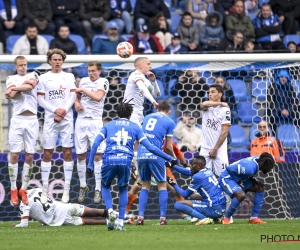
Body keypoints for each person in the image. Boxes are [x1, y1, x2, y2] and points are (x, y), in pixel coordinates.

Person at [87, 100, 176, 231]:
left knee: (105, 186)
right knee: (123, 189)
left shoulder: (108, 125)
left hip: (110, 160)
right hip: (125, 161)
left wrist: (90, 164)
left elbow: (95, 144)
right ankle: (121, 222)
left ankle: (111, 210)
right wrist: (169, 157)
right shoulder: (135, 127)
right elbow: (150, 147)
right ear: (130, 114)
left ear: (117, 112)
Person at [37, 48, 76, 204]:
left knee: (67, 152)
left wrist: (63, 111)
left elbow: (73, 95)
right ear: (49, 61)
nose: (57, 62)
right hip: (50, 119)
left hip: (66, 119)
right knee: (47, 153)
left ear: (63, 61)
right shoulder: (43, 78)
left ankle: (66, 191)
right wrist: (55, 111)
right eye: (54, 59)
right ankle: (45, 190)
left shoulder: (69, 76)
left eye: (60, 59)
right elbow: (40, 100)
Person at [4, 56, 39, 206]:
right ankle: (13, 189)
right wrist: (14, 89)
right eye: (21, 65)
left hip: (32, 120)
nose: (23, 67)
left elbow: (29, 87)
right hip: (17, 119)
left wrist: (14, 87)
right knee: (14, 154)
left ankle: (23, 189)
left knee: (30, 155)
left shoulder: (34, 75)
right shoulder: (10, 78)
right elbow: (13, 96)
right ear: (15, 66)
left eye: (25, 65)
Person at [74, 61, 109, 204]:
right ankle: (83, 185)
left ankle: (98, 189)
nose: (91, 73)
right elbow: (77, 96)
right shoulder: (83, 81)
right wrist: (77, 102)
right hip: (81, 121)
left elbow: (98, 97)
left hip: (95, 121)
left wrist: (82, 89)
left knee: (98, 156)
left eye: (94, 71)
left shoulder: (103, 81)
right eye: (89, 71)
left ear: (99, 71)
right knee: (81, 154)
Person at [136, 101, 175, 226]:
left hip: (141, 154)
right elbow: (169, 147)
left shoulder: (147, 117)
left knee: (144, 186)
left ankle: (140, 217)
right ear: (169, 111)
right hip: (156, 154)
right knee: (162, 186)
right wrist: (172, 159)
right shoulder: (169, 121)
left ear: (157, 109)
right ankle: (162, 217)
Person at [167, 155, 226, 225]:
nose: (190, 167)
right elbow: (188, 172)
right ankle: (215, 218)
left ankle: (203, 218)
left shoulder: (197, 177)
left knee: (178, 205)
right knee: (193, 196)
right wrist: (173, 166)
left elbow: (185, 195)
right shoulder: (208, 170)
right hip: (222, 208)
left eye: (192, 165)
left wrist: (173, 184)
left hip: (214, 208)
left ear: (199, 165)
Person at [219, 153, 275, 224]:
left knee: (260, 188)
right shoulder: (250, 168)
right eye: (270, 168)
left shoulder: (258, 160)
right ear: (265, 165)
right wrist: (238, 182)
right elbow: (229, 168)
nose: (269, 170)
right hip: (227, 178)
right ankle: (226, 218)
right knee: (241, 195)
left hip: (241, 178)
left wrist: (252, 179)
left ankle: (254, 218)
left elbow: (243, 171)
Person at [13, 186, 109, 227]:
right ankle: (118, 215)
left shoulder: (23, 205)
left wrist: (17, 226)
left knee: (87, 221)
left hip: (59, 219)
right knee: (93, 211)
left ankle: (110, 222)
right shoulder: (37, 189)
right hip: (63, 206)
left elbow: (24, 224)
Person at [199, 84, 231, 177]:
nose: (210, 94)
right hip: (205, 148)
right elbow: (203, 104)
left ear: (220, 94)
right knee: (202, 177)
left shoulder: (225, 110)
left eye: (213, 92)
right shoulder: (206, 107)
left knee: (224, 177)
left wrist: (215, 149)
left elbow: (225, 132)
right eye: (209, 92)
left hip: (219, 149)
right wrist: (221, 103)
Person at [267, 69, 300, 135]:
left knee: (298, 111)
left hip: (289, 110)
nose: (283, 79)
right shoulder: (272, 87)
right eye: (281, 77)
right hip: (276, 110)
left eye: (285, 77)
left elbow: (295, 101)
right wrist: (281, 111)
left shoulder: (291, 87)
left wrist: (289, 110)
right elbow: (270, 102)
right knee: (272, 114)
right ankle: (274, 136)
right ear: (278, 77)